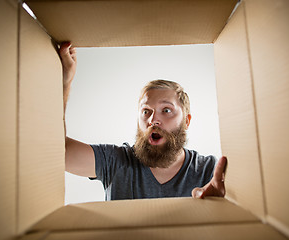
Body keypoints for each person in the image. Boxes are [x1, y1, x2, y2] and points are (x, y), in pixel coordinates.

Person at [60, 42, 227, 200]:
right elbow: (59, 153)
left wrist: (222, 203)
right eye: (146, 111)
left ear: (186, 121)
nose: (153, 120)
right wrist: (64, 83)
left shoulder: (209, 170)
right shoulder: (115, 161)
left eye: (166, 110)